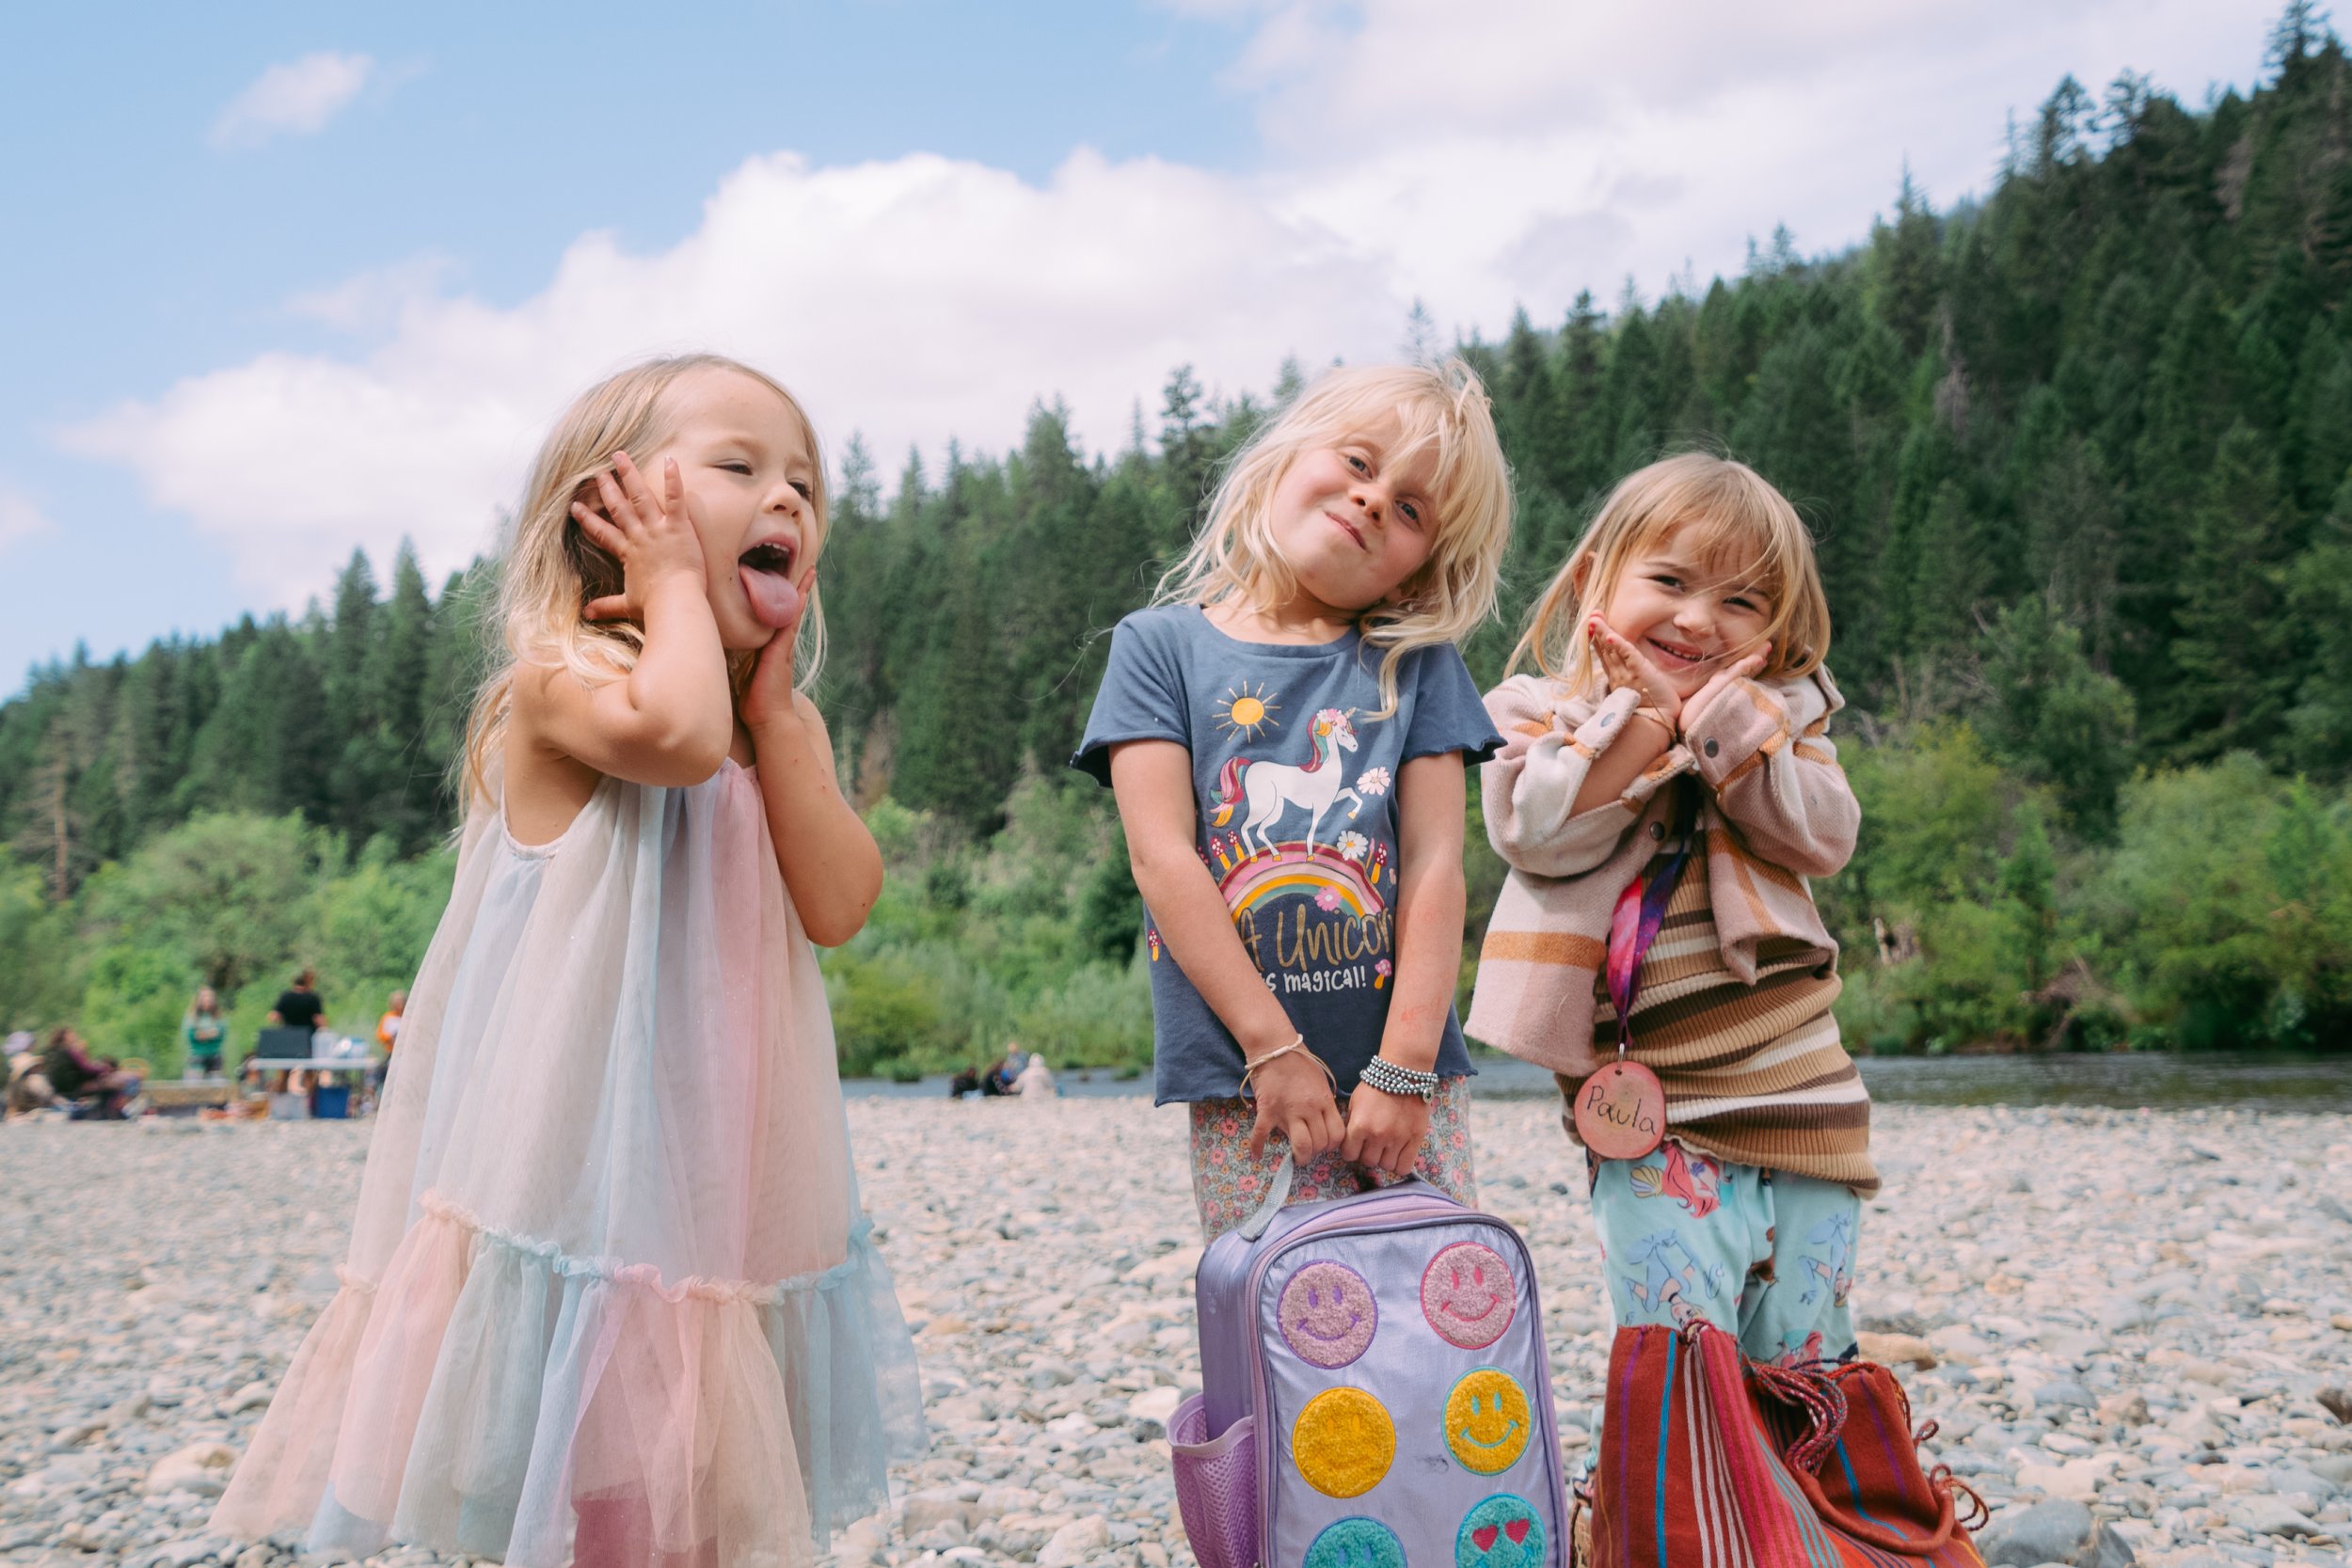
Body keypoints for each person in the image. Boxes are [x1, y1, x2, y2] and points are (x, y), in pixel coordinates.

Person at [211, 355, 923, 1568]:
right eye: (741, 467)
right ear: (610, 510)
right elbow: (677, 737)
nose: (789, 501)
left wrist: (785, 713)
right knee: (601, 1447)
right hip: (580, 1161)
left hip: (716, 1156)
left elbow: (843, 899)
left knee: (697, 1453)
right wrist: (670, 594)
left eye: (806, 483)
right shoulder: (557, 690)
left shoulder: (756, 733)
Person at [1073, 358, 1512, 1239]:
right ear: (1284, 456)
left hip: (1408, 1082)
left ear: (1423, 565)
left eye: (1413, 507)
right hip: (1248, 1079)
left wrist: (1406, 1067)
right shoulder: (1158, 649)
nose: (1376, 499)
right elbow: (1163, 858)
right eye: (1358, 463)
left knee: (1437, 1318)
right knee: (1283, 1325)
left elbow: (1434, 866)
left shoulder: (1417, 666)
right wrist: (1272, 1049)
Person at [1467, 453, 1867, 1391]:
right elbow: (1537, 830)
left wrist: (1722, 725)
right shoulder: (1534, 714)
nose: (1697, 618)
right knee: (1677, 1351)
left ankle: (1804, 1516)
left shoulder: (1780, 725)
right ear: (1593, 581)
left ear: (1778, 630)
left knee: (1807, 1353)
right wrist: (1643, 724)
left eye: (1742, 600)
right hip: (1653, 1115)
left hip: (1801, 1091)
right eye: (1669, 580)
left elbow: (1822, 836)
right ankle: (1687, 1510)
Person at [40, 1026, 142, 1119]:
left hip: (62, 1089)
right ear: (65, 1036)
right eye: (71, 1034)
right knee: (127, 1080)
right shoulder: (70, 1050)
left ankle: (108, 1110)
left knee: (116, 1081)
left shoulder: (53, 1052)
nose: (74, 1035)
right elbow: (87, 1068)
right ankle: (114, 1110)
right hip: (75, 1088)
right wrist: (105, 1069)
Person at [183, 988, 229, 1080]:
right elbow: (192, 1035)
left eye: (210, 997)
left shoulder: (218, 1017)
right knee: (194, 1088)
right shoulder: (191, 1018)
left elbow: (220, 1034)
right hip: (197, 1056)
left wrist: (202, 1034)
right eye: (204, 997)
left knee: (218, 1088)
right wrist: (210, 1033)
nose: (207, 1000)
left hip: (215, 1057)